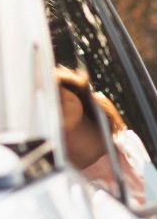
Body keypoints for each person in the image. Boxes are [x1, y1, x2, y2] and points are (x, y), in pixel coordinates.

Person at [56, 66, 149, 207]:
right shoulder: (62, 193)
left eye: (55, 87)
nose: (55, 98)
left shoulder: (129, 144)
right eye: (41, 101)